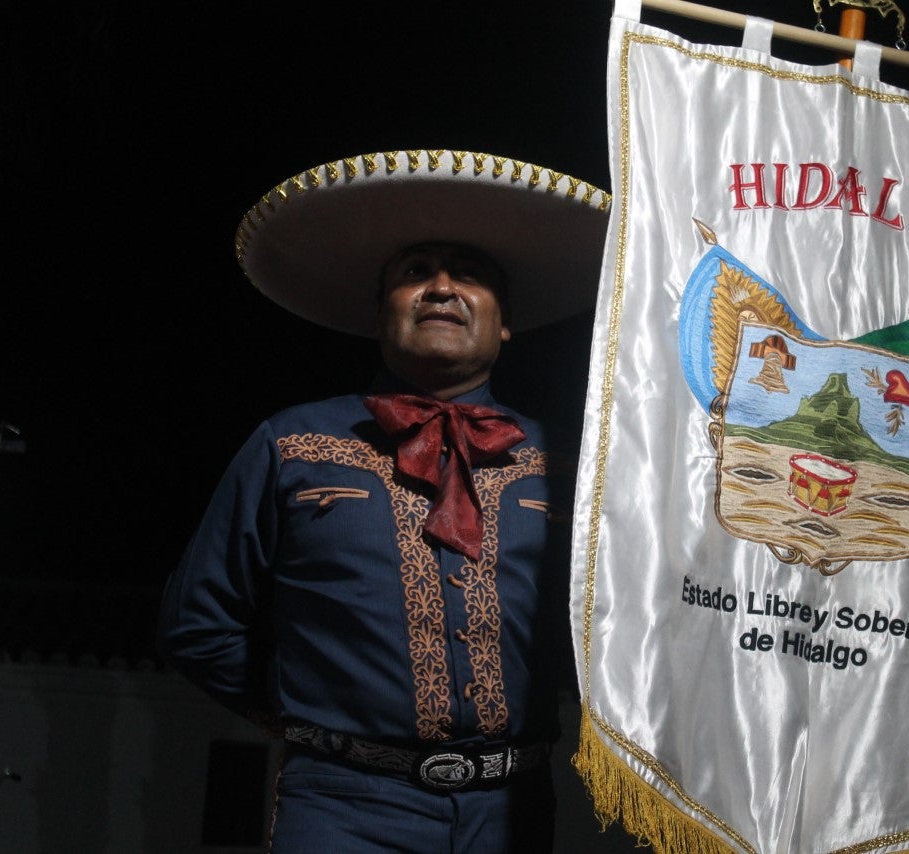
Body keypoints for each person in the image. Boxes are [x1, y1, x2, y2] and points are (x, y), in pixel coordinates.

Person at [156, 148, 609, 853]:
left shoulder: (571, 464)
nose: (441, 288)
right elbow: (196, 623)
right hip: (342, 807)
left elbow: (618, 627)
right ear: (380, 312)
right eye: (414, 272)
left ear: (506, 321)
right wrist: (313, 716)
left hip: (516, 812)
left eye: (470, 275)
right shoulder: (290, 444)